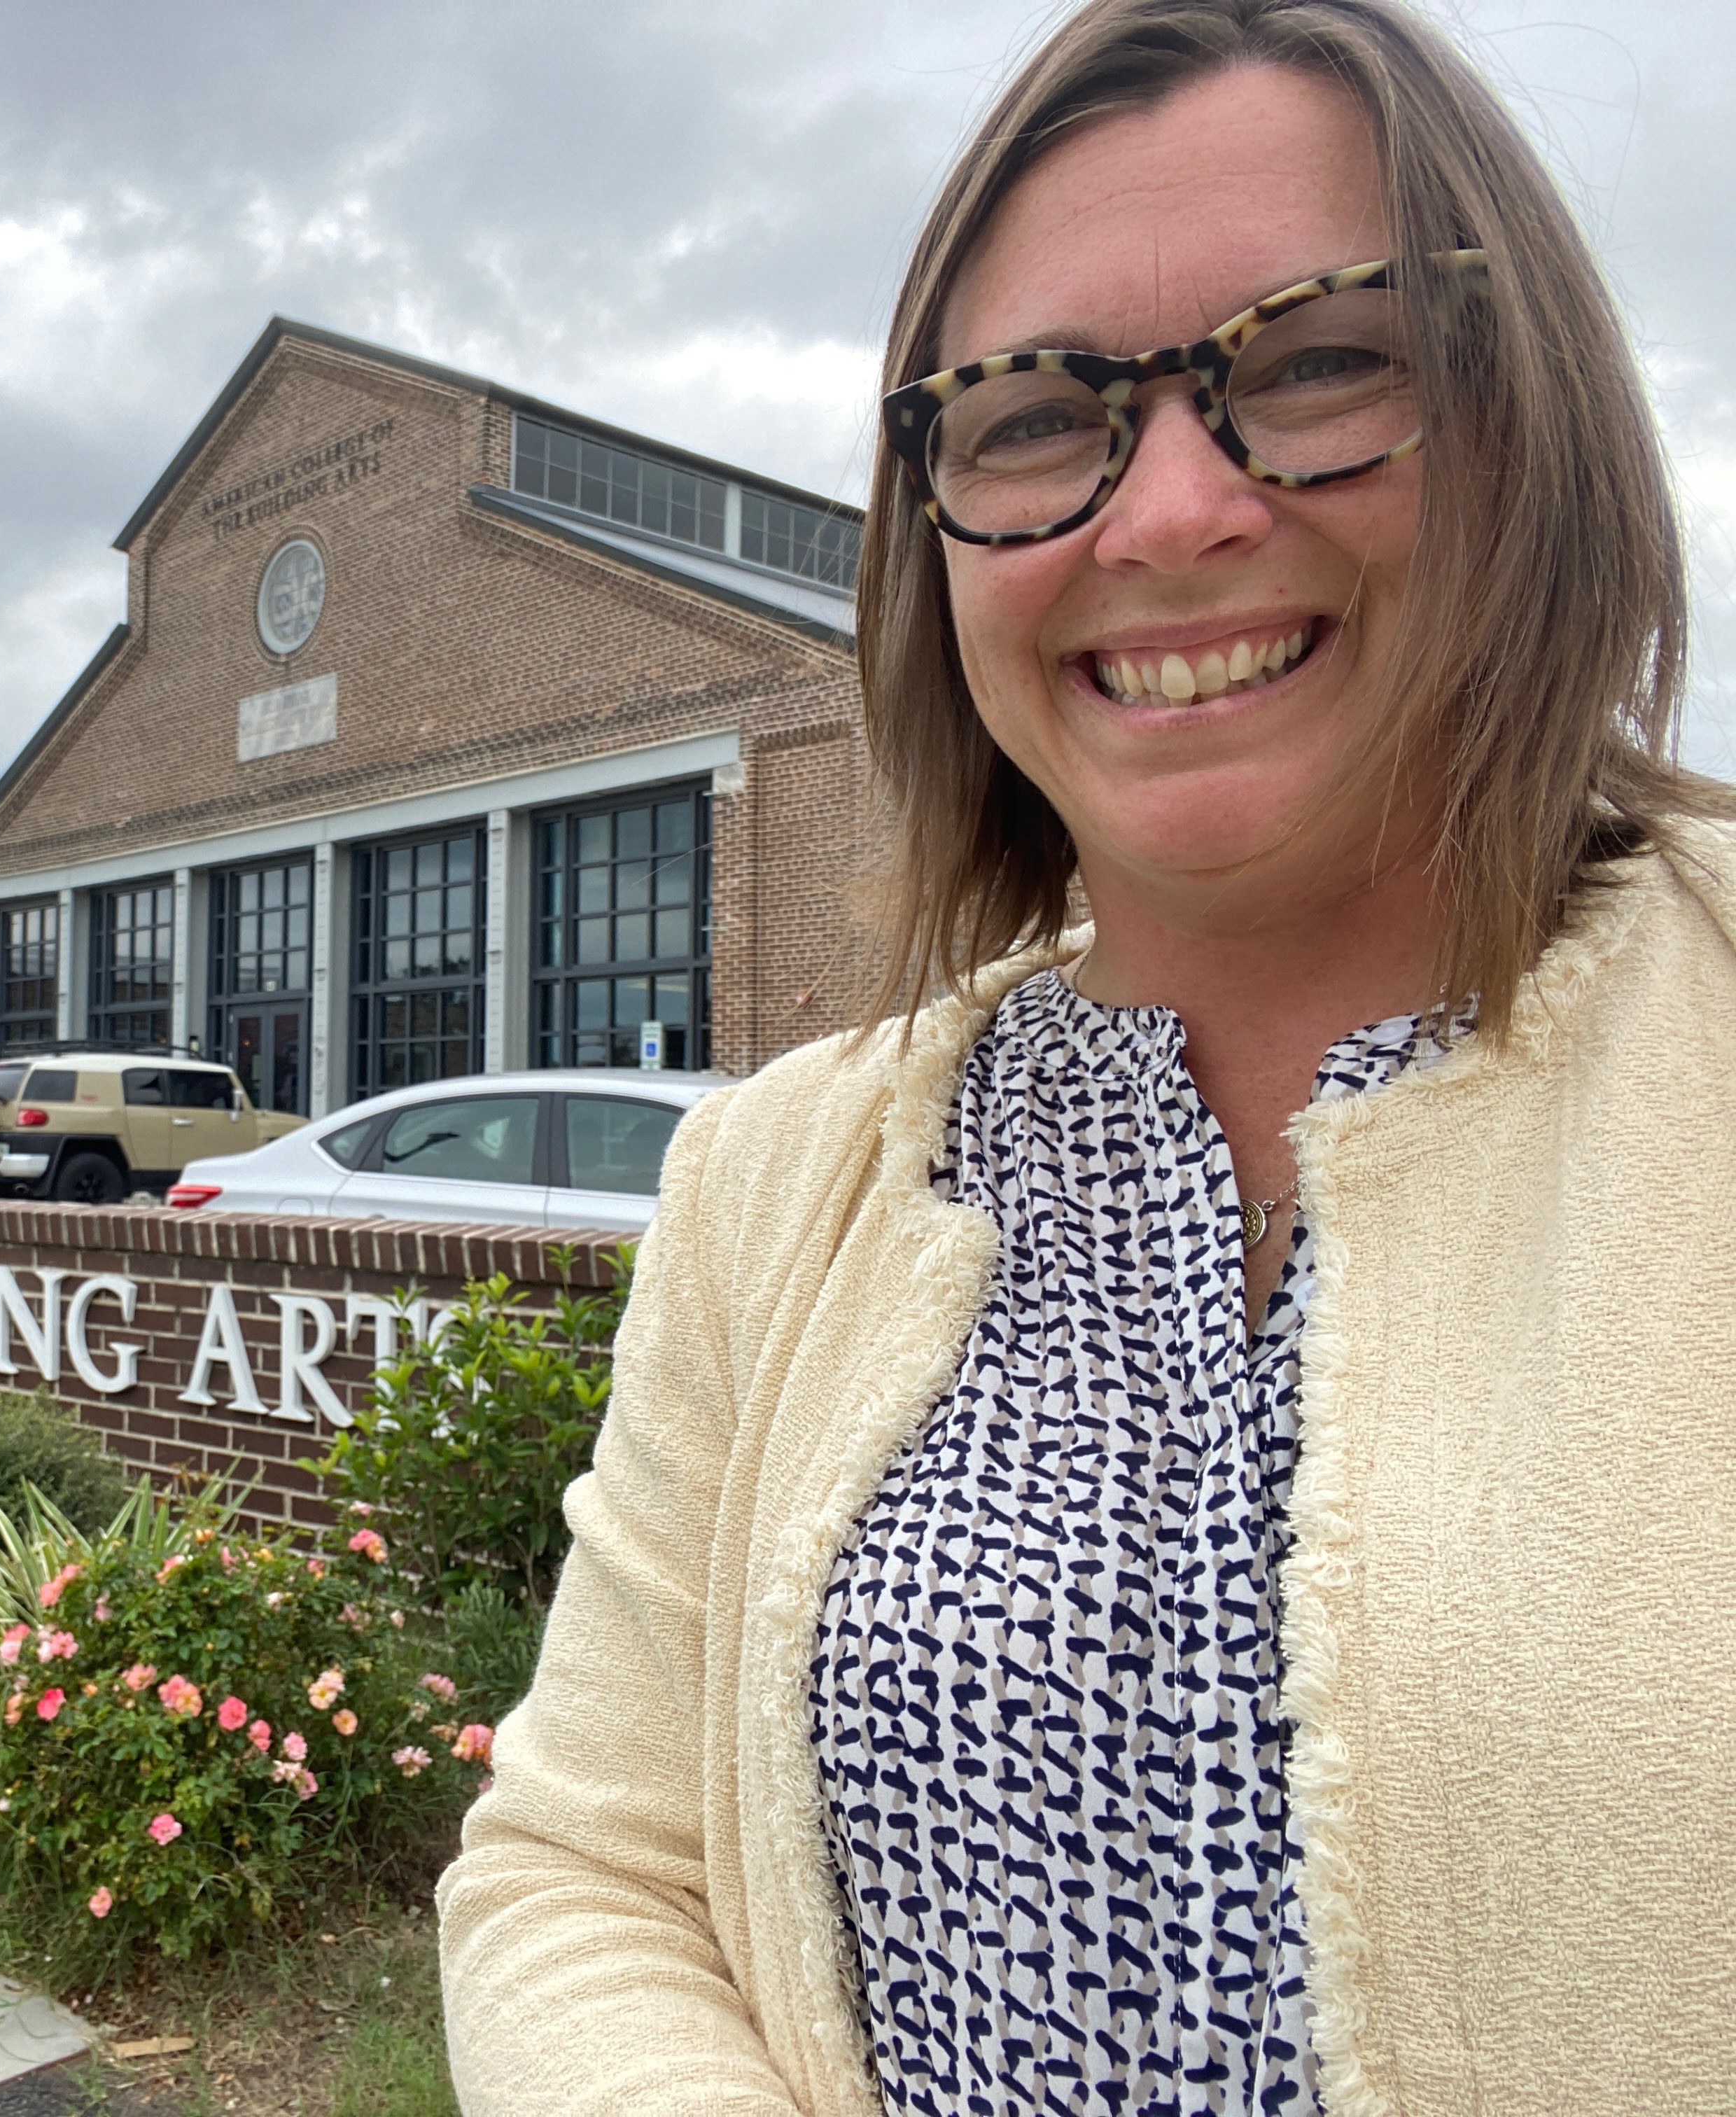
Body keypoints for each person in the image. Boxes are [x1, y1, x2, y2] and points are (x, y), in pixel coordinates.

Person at [434, 1, 1736, 2110]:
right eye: (1038, 417)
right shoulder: (783, 1182)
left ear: (1535, 421)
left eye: (1321, 359)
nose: (1170, 513)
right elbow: (589, 1867)